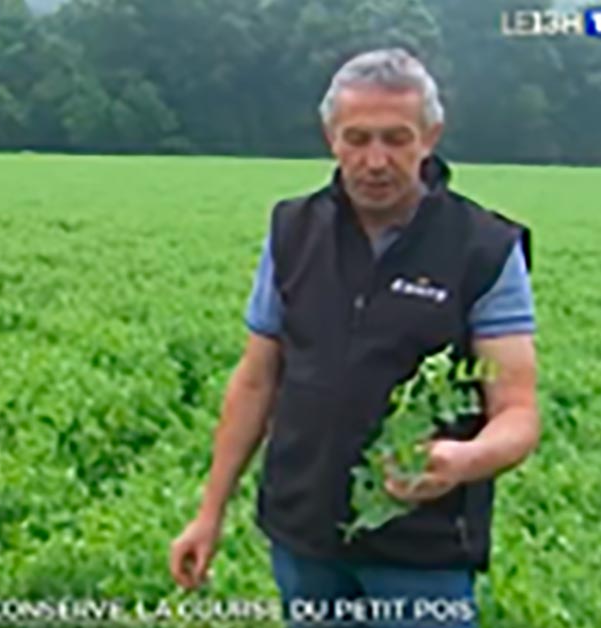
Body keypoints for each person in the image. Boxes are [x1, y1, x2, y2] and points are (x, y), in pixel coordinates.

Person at [168, 48, 540, 628]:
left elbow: (518, 411)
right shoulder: (292, 230)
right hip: (303, 536)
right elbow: (256, 379)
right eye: (357, 138)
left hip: (423, 552)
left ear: (430, 136)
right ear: (330, 137)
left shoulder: (483, 249)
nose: (375, 160)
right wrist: (208, 513)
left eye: (396, 138)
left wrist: (463, 460)